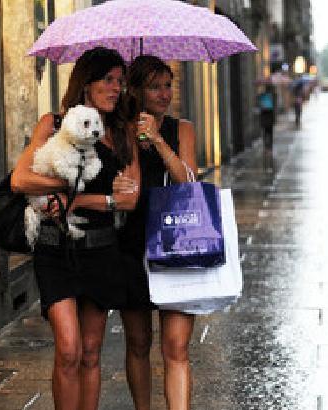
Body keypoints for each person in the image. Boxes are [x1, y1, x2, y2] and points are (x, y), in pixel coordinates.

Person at [10, 47, 140, 410]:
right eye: (108, 80)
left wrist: (76, 201)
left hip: (101, 251)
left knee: (91, 352)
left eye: (121, 81)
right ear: (86, 85)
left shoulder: (120, 131)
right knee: (68, 349)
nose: (117, 88)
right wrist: (66, 188)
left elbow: (129, 199)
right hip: (56, 250)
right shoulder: (53, 124)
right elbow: (21, 179)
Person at [113, 55, 198, 410]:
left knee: (176, 346)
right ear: (135, 90)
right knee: (138, 341)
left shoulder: (182, 129)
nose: (165, 94)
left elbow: (189, 182)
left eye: (168, 85)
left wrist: (160, 142)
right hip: (131, 245)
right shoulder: (119, 131)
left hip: (177, 245)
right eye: (154, 86)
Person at [257, 84, 276, 153]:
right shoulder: (272, 96)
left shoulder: (262, 96)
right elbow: (274, 108)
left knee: (265, 132)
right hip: (269, 117)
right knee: (270, 132)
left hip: (264, 117)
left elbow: (259, 105)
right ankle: (269, 146)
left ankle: (266, 146)